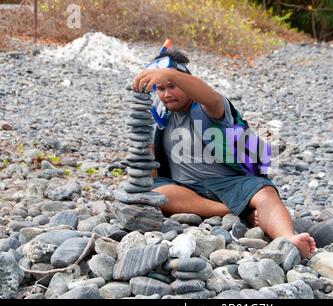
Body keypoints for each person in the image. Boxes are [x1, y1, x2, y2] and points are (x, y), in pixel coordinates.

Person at [131, 47, 316, 258]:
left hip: (230, 182)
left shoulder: (206, 108)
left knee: (265, 193)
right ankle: (237, 211)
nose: (166, 94)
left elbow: (212, 98)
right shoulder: (162, 119)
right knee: (157, 194)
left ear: (186, 82)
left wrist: (171, 73)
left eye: (172, 86)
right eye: (160, 88)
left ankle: (288, 237)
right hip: (186, 189)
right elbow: (152, 168)